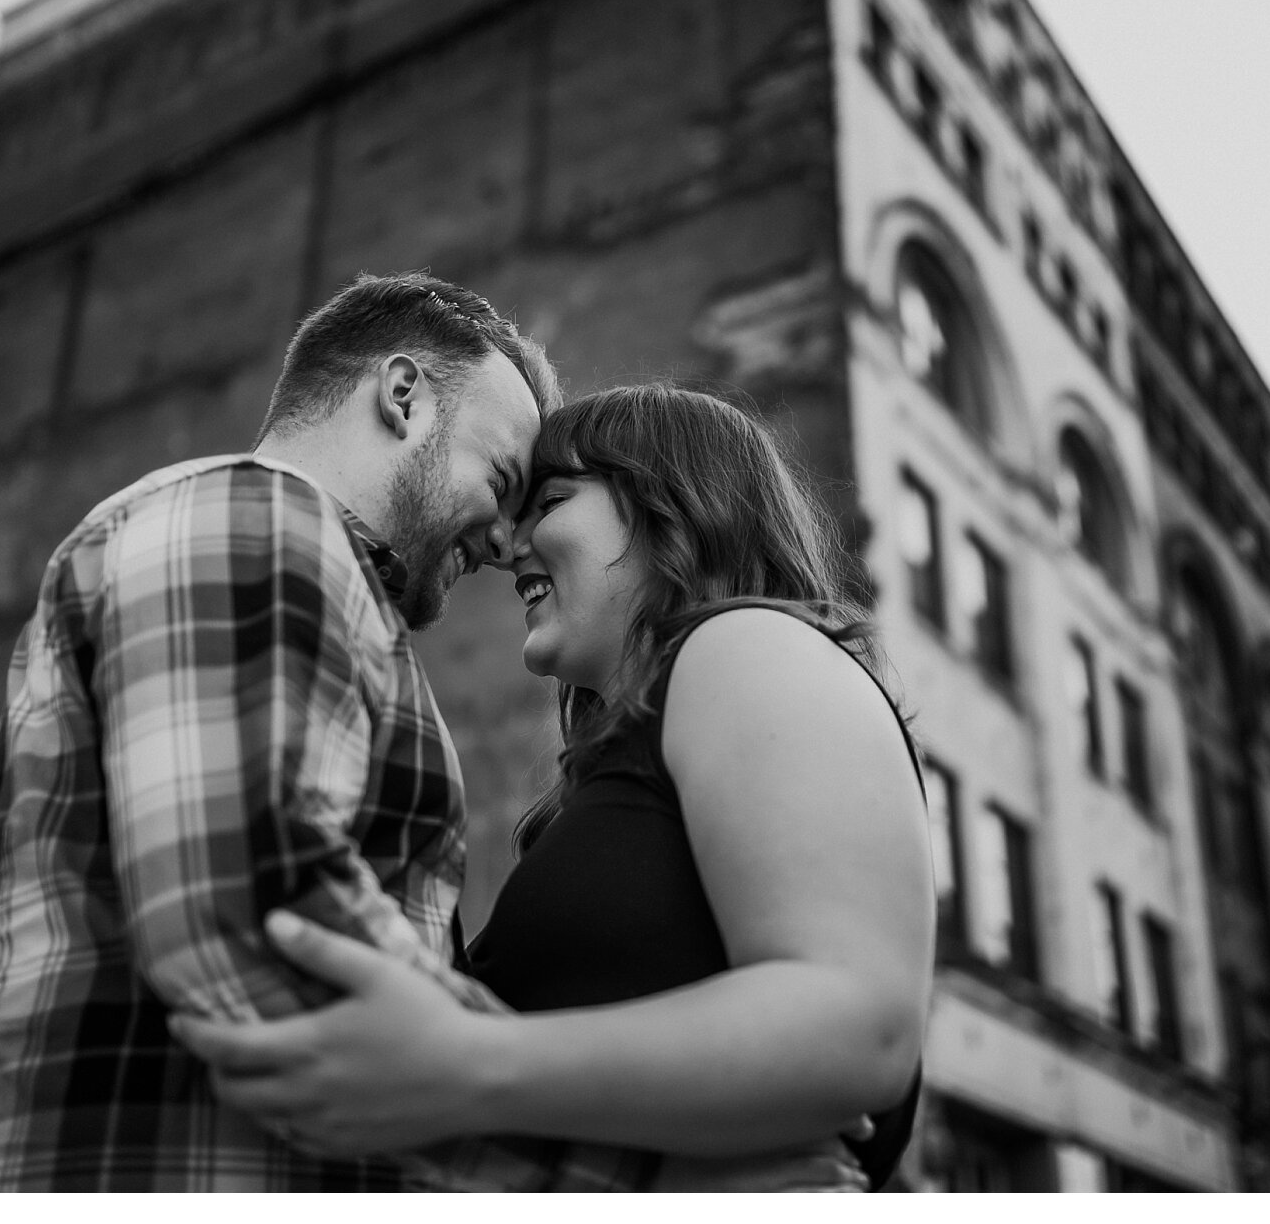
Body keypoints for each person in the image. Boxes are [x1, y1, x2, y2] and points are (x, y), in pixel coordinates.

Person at [0, 273, 850, 1190]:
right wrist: (656, 1179)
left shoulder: (306, 578)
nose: (506, 545)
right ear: (403, 396)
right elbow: (261, 930)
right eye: (506, 483)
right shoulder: (253, 519)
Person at [172, 383, 938, 1188]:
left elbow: (859, 1030)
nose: (509, 544)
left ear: (670, 503)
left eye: (551, 502)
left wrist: (463, 1059)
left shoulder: (749, 645)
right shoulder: (622, 768)